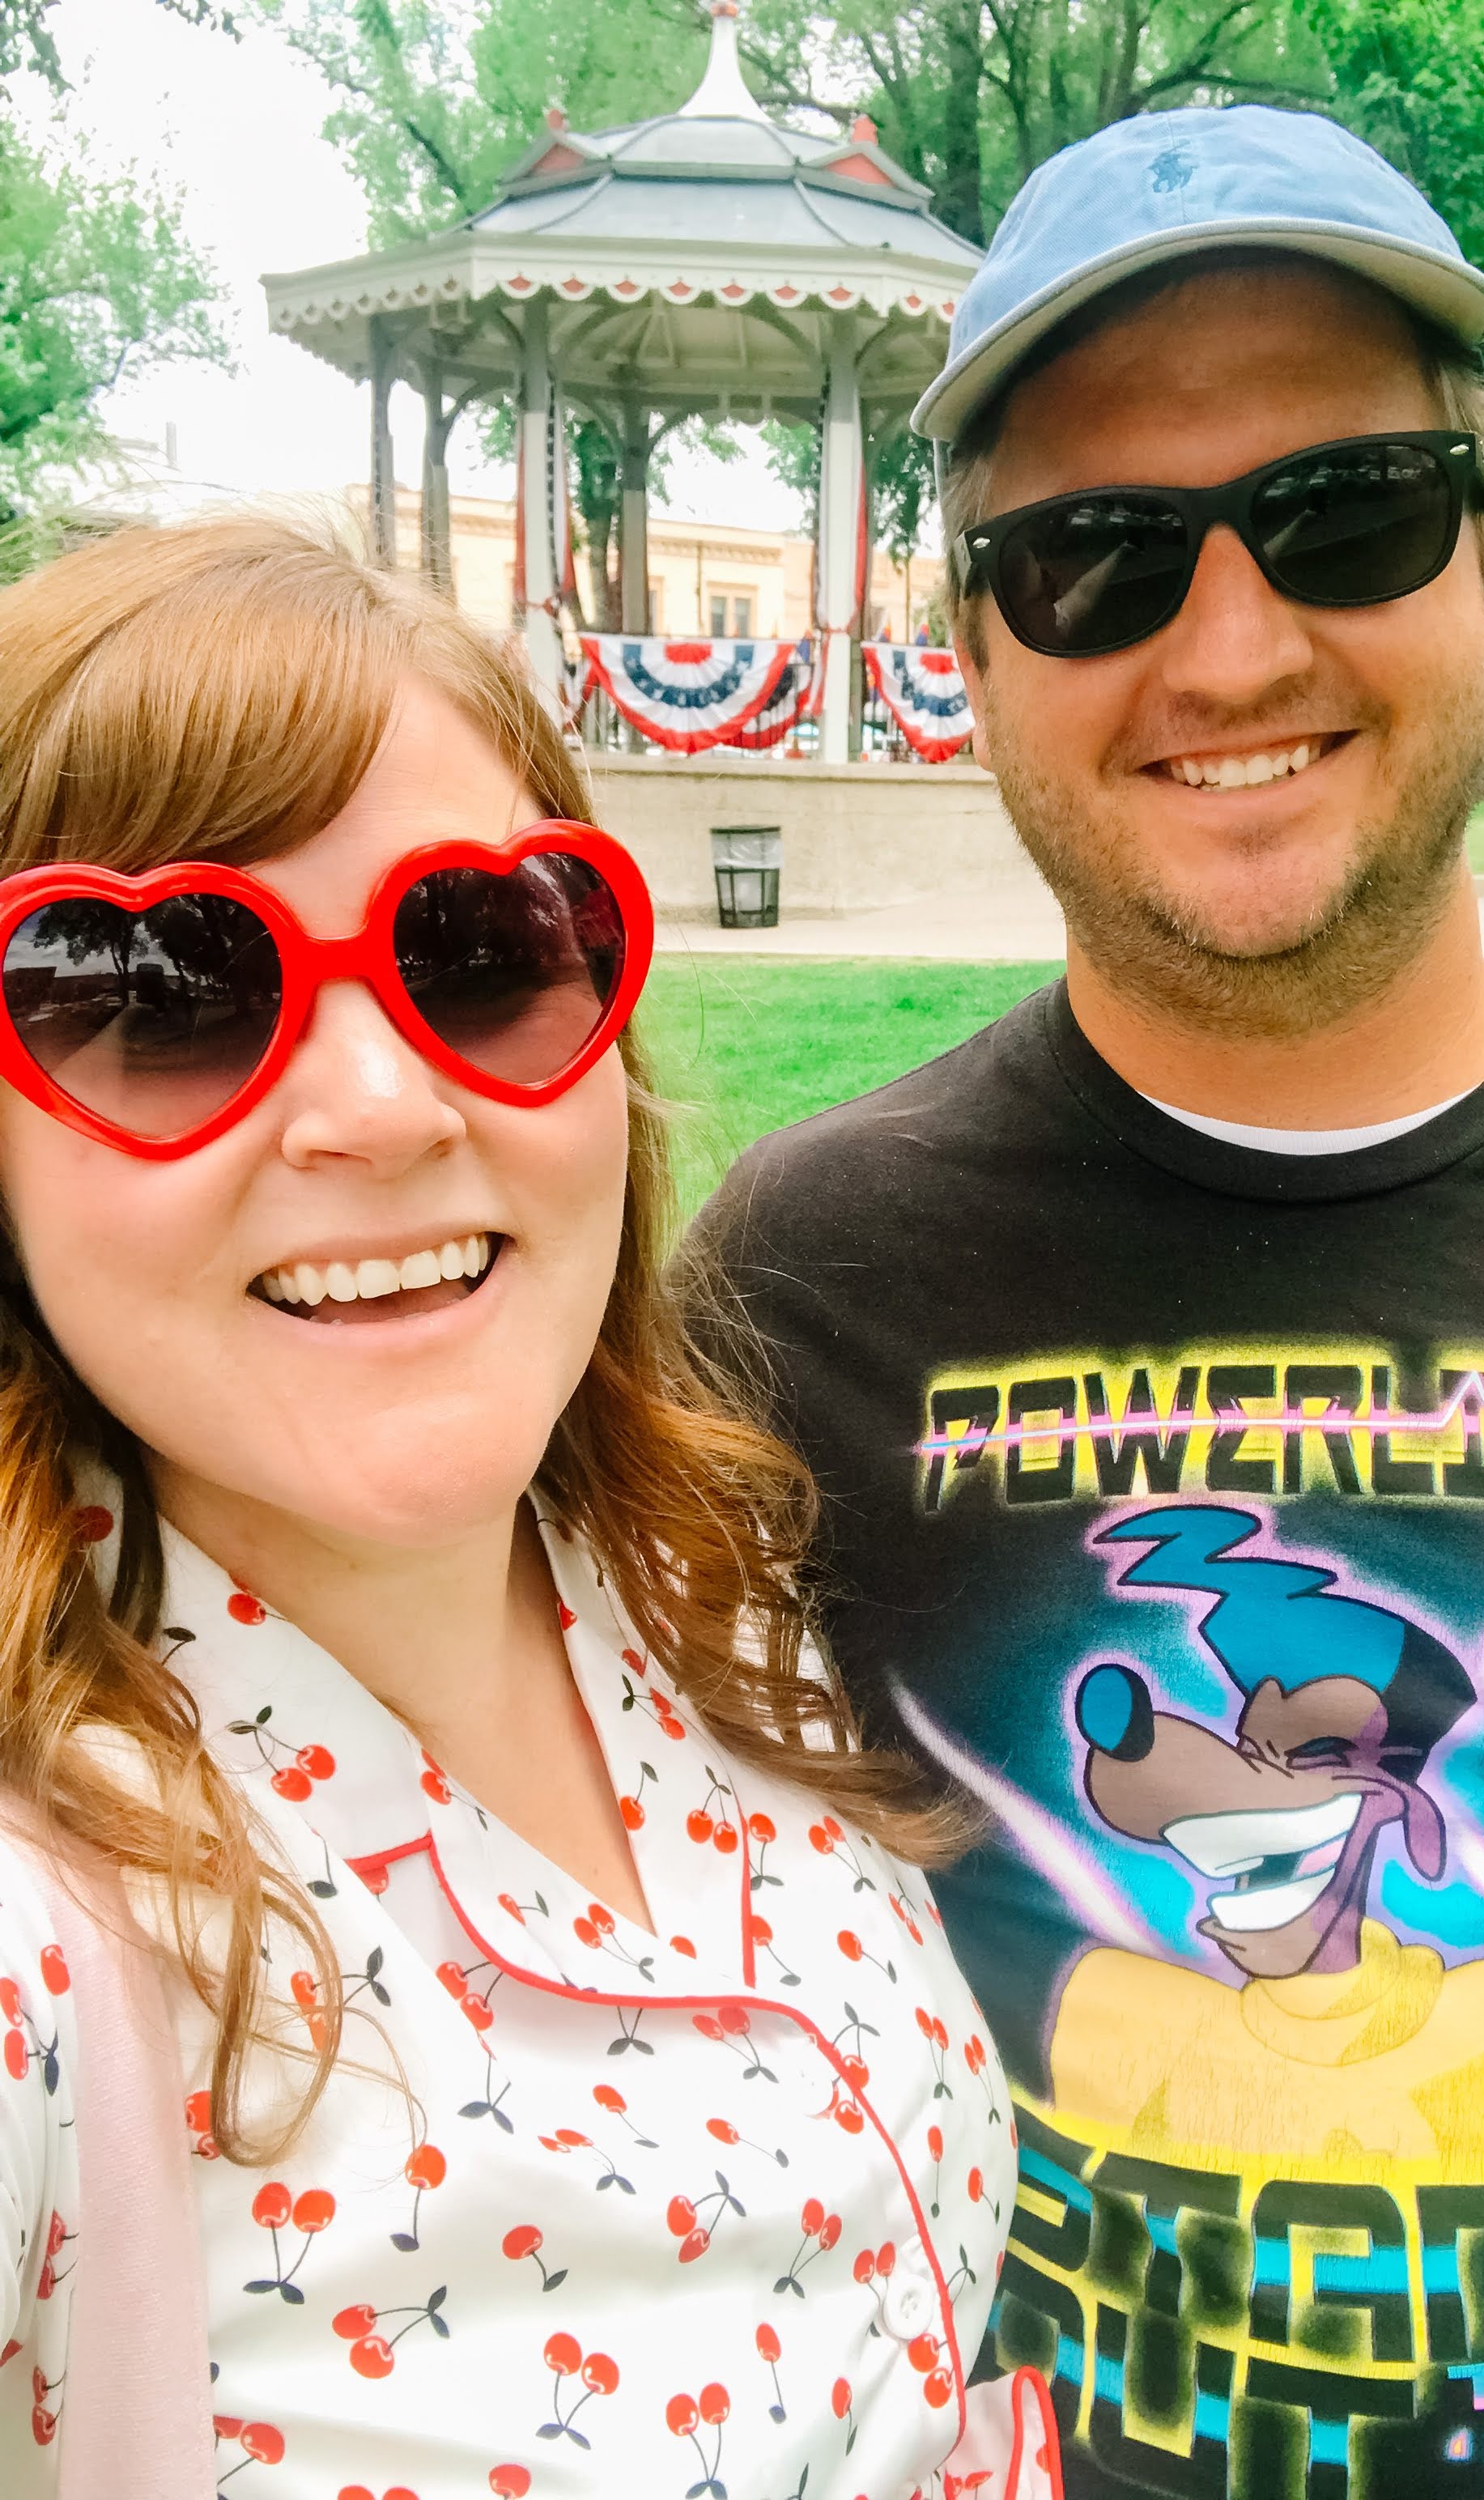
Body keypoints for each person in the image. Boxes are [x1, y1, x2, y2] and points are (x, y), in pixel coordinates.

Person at [692, 102, 1484, 2500]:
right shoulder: (787, 1293)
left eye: (1346, 512)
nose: (1227, 647)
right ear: (973, 656)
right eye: (1091, 562)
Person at [0, 521, 1057, 2498]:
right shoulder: (42, 1949)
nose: (386, 1107)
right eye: (165, 994)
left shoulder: (690, 1583)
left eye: (478, 954)